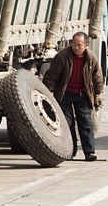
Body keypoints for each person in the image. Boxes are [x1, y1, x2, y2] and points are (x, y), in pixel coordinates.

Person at [43, 31, 104, 161]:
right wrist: (48, 93)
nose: (76, 47)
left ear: (86, 45)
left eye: (79, 45)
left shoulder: (91, 58)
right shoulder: (62, 57)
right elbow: (51, 77)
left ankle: (89, 152)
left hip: (83, 94)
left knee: (86, 123)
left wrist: (98, 94)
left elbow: (97, 77)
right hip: (65, 94)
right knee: (67, 123)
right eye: (74, 44)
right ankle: (71, 151)